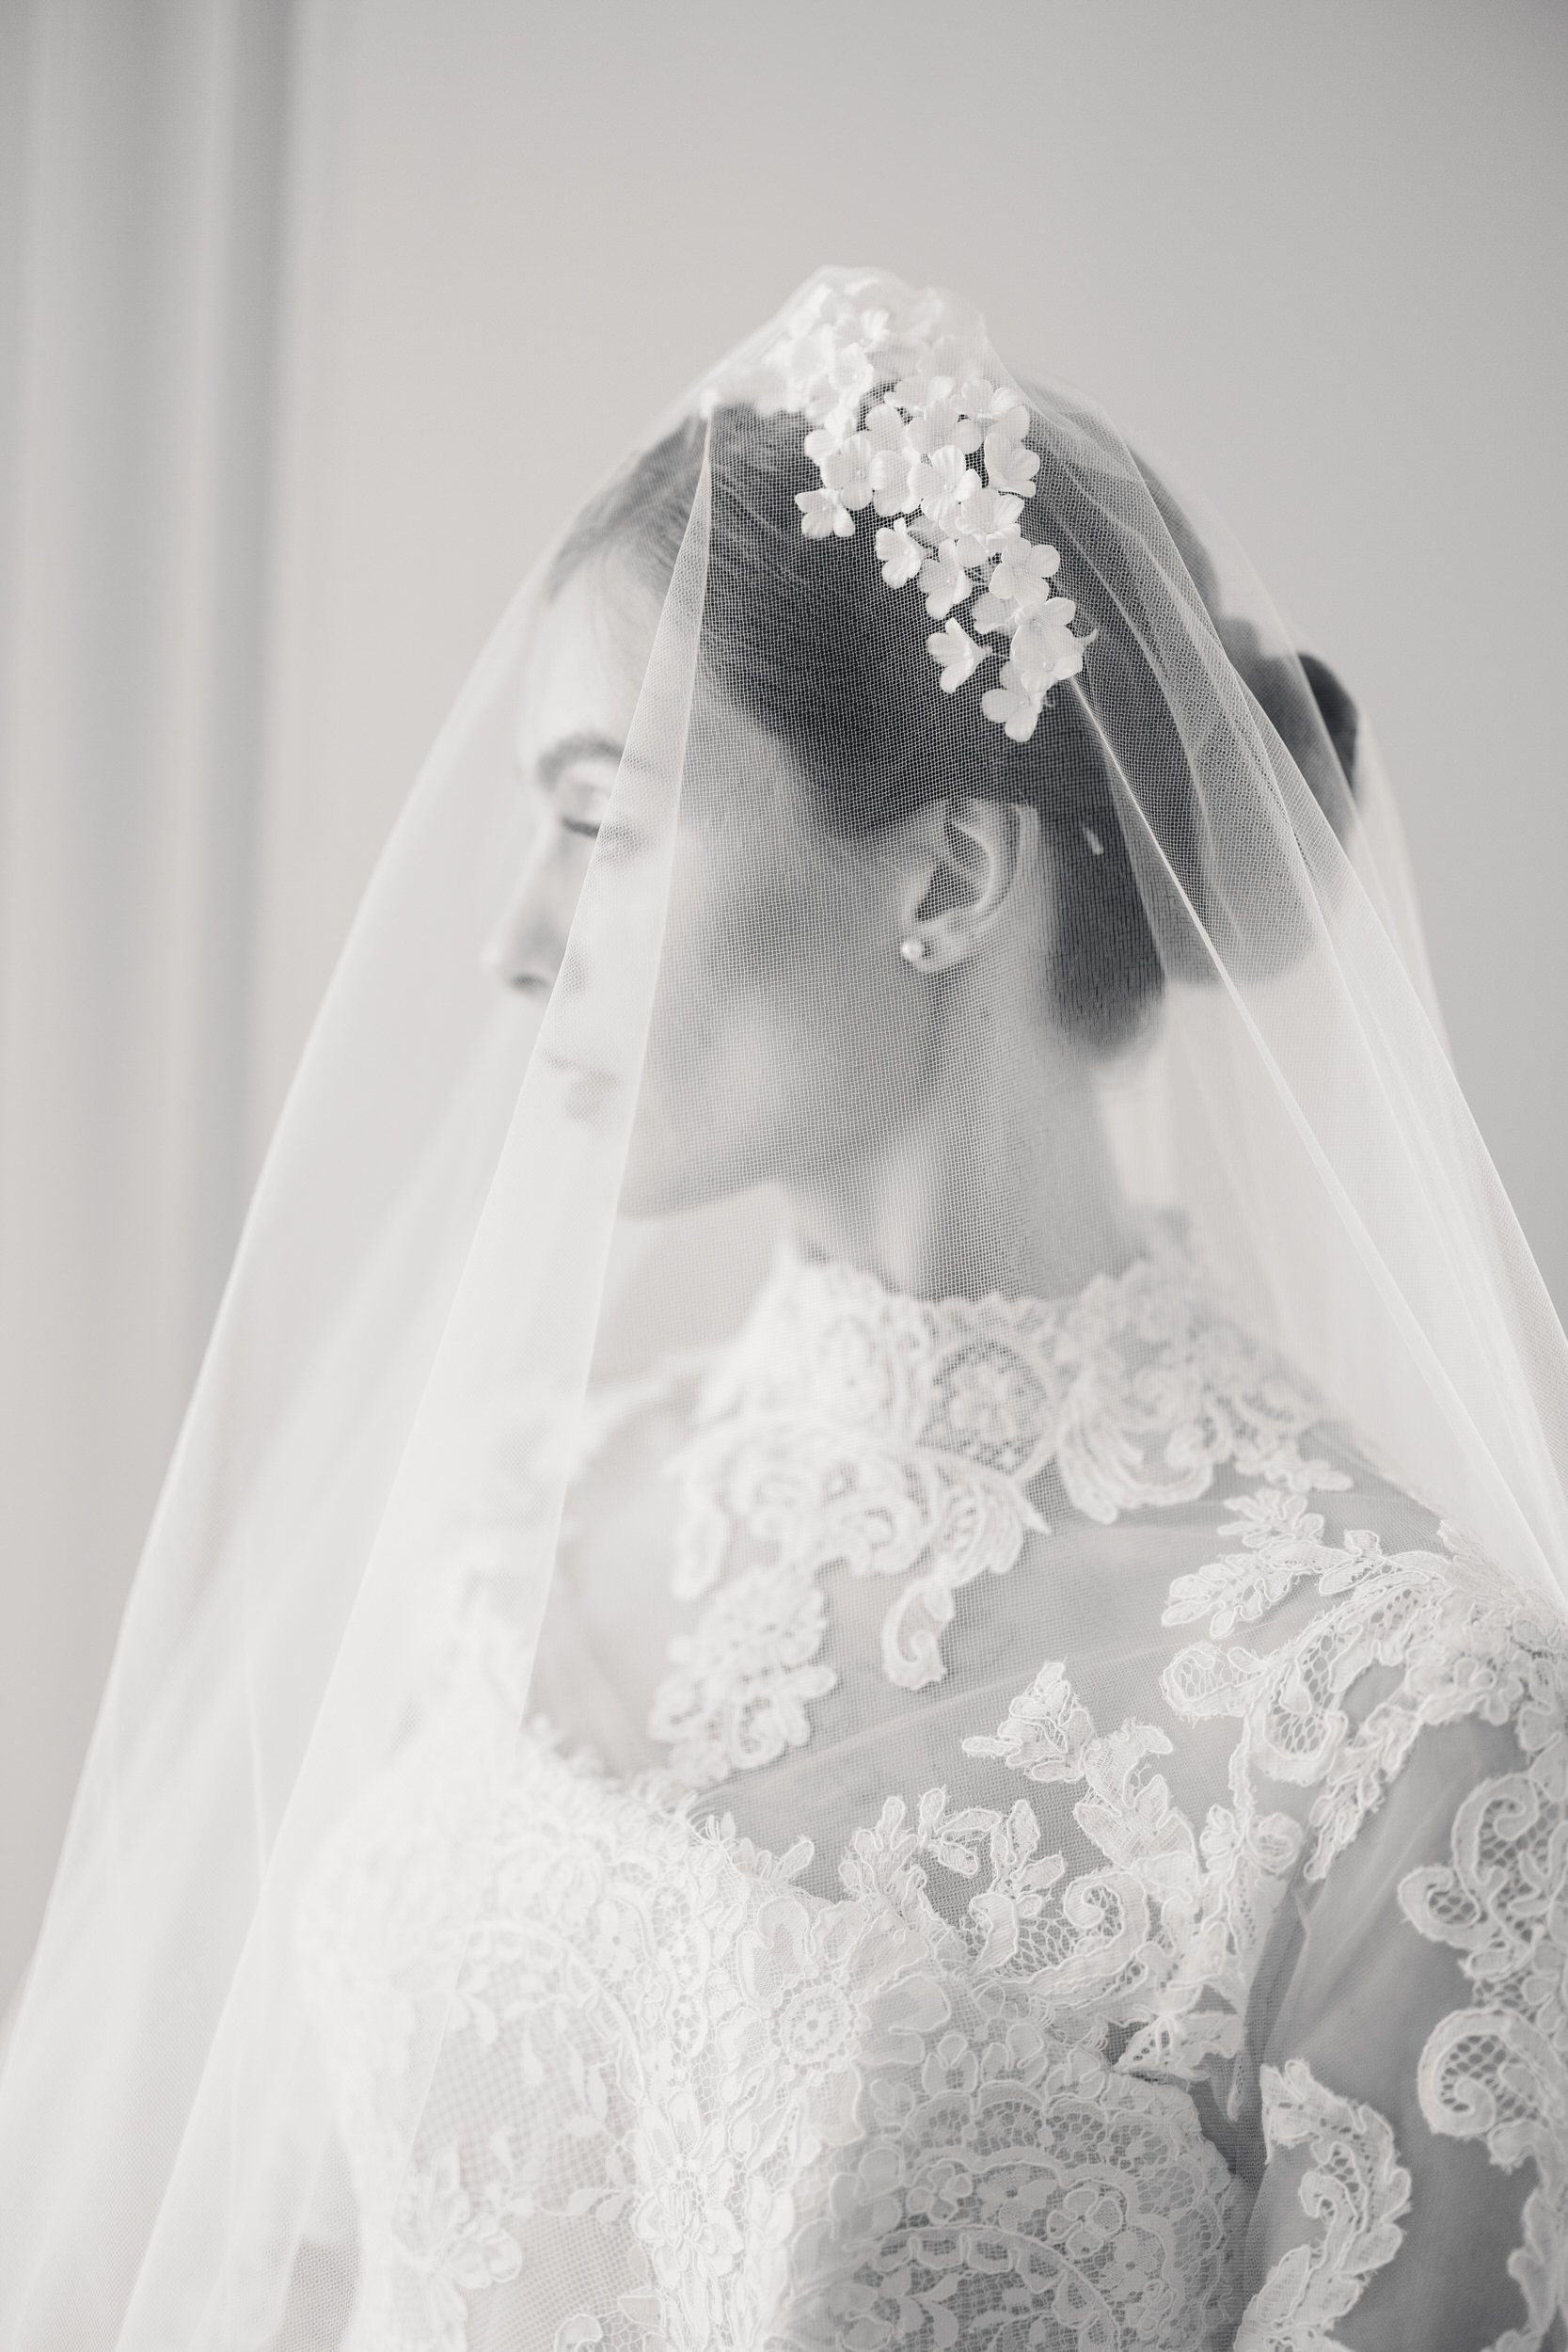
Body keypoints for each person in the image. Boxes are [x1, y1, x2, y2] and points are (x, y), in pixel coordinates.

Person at [3, 266, 1566, 2351]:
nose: (511, 937)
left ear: (942, 875)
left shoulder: (1401, 1716)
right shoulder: (504, 1528)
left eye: (598, 820)